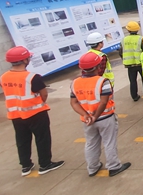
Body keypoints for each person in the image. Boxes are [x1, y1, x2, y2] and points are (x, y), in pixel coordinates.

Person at [2, 46, 64, 176]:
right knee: (42, 138)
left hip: (16, 114)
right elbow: (44, 94)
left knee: (22, 140)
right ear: (24, 60)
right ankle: (45, 164)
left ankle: (26, 165)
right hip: (36, 113)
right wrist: (38, 103)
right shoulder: (32, 77)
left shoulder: (4, 77)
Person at [70, 52, 130, 177]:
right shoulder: (102, 81)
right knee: (109, 142)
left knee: (91, 143)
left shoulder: (75, 83)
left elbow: (74, 102)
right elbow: (103, 102)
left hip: (87, 120)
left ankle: (92, 167)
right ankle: (114, 166)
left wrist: (86, 115)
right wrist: (95, 117)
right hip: (105, 118)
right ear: (97, 67)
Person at [121, 21, 143, 101]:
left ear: (128, 30)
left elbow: (121, 52)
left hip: (130, 64)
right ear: (138, 29)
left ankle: (134, 96)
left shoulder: (124, 40)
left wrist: (125, 59)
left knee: (132, 81)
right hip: (140, 63)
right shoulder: (141, 39)